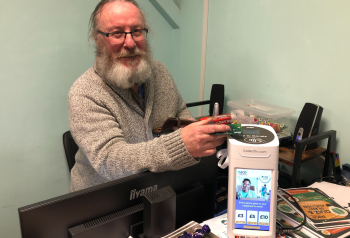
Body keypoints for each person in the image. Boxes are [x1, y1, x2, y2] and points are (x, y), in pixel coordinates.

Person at [68, 0, 230, 192]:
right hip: (105, 202)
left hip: (160, 190)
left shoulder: (159, 71)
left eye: (137, 31)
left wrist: (199, 134)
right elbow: (110, 161)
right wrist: (180, 144)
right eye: (117, 33)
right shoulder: (84, 93)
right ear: (98, 39)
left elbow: (180, 112)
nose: (130, 43)